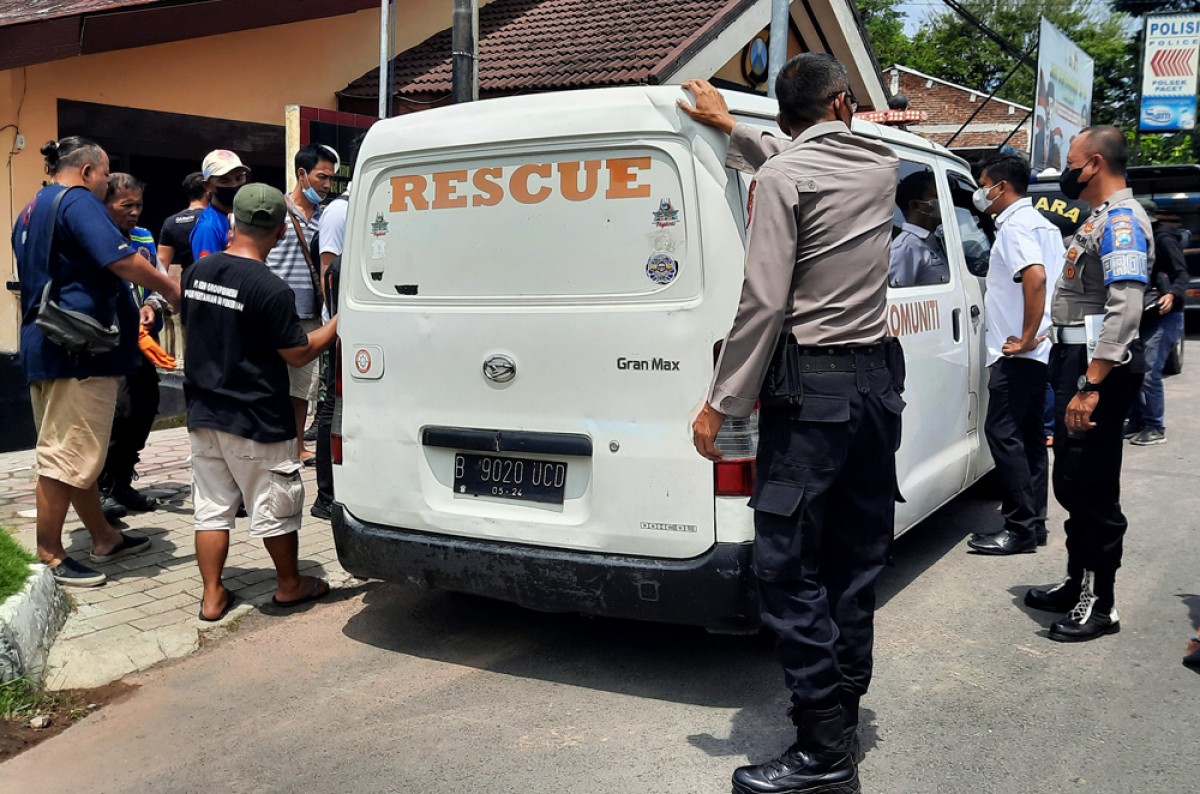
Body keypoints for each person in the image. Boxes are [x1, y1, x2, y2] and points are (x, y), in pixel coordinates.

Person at [681, 58, 902, 794]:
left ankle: (823, 752)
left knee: (783, 568)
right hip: (875, 388)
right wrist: (735, 130)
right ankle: (843, 712)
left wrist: (722, 401)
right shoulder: (881, 164)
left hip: (811, 397)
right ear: (841, 102)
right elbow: (804, 156)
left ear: (785, 116)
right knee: (855, 559)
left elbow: (765, 302)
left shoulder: (783, 178)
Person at [13, 137, 179, 586]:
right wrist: (169, 289)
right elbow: (121, 260)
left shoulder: (31, 208)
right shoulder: (78, 202)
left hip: (46, 346)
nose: (106, 184)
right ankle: (50, 552)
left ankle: (103, 536)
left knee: (79, 453)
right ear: (87, 171)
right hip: (80, 353)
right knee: (64, 456)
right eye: (105, 175)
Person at [182, 183, 337, 621]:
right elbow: (298, 352)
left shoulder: (198, 272)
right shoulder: (270, 288)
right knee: (276, 504)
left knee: (211, 508)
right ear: (282, 229)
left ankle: (212, 596)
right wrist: (340, 323)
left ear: (235, 221)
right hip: (255, 416)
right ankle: (290, 585)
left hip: (204, 411)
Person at [1024, 126, 1150, 643]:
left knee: (1093, 485)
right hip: (1077, 354)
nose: (1067, 173)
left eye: (1072, 163)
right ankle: (1079, 582)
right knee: (1072, 479)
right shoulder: (1100, 218)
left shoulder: (1121, 221)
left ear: (1094, 163)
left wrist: (1092, 381)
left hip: (1100, 365)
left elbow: (1126, 305)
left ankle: (1100, 604)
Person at [966, 154, 1064, 555]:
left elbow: (1036, 277)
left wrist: (1025, 337)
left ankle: (1020, 526)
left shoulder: (1016, 227)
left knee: (1001, 433)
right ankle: (1034, 522)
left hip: (1019, 352)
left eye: (984, 183)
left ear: (1001, 187)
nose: (980, 193)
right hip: (1039, 352)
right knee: (1029, 438)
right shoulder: (1043, 224)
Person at [98, 173, 172, 517]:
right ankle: (103, 488)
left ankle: (122, 482)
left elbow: (158, 282)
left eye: (138, 205)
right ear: (105, 203)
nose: (135, 212)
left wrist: (151, 305)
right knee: (118, 413)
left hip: (141, 344)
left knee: (145, 407)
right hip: (106, 346)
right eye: (126, 205)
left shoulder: (144, 238)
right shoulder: (96, 236)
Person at [264, 144, 338, 465]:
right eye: (322, 177)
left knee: (301, 389)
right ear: (301, 174)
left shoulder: (326, 216)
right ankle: (268, 446)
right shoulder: (276, 210)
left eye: (331, 179)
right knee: (269, 384)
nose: (326, 185)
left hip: (309, 316)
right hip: (274, 314)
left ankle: (296, 447)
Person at [1125, 198, 1187, 446]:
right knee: (1133, 370)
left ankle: (1154, 425)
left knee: (1150, 371)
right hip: (1144, 313)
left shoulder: (1163, 239)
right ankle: (1138, 420)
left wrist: (1172, 294)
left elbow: (1182, 274)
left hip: (1165, 313)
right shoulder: (1136, 240)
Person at [310, 182, 350, 520]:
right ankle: (325, 495)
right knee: (332, 407)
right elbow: (329, 275)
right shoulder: (340, 210)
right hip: (339, 329)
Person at [889, 171, 949, 287]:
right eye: (936, 197)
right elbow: (900, 299)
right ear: (915, 206)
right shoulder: (905, 247)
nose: (943, 202)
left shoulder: (934, 240)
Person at [190, 149, 249, 262]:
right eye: (224, 180)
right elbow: (208, 274)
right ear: (208, 186)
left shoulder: (245, 216)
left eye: (239, 178)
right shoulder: (208, 227)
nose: (234, 185)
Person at [157, 172, 208, 271]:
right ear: (208, 191)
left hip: (186, 282)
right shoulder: (213, 219)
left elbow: (162, 264)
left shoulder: (170, 222)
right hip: (212, 282)